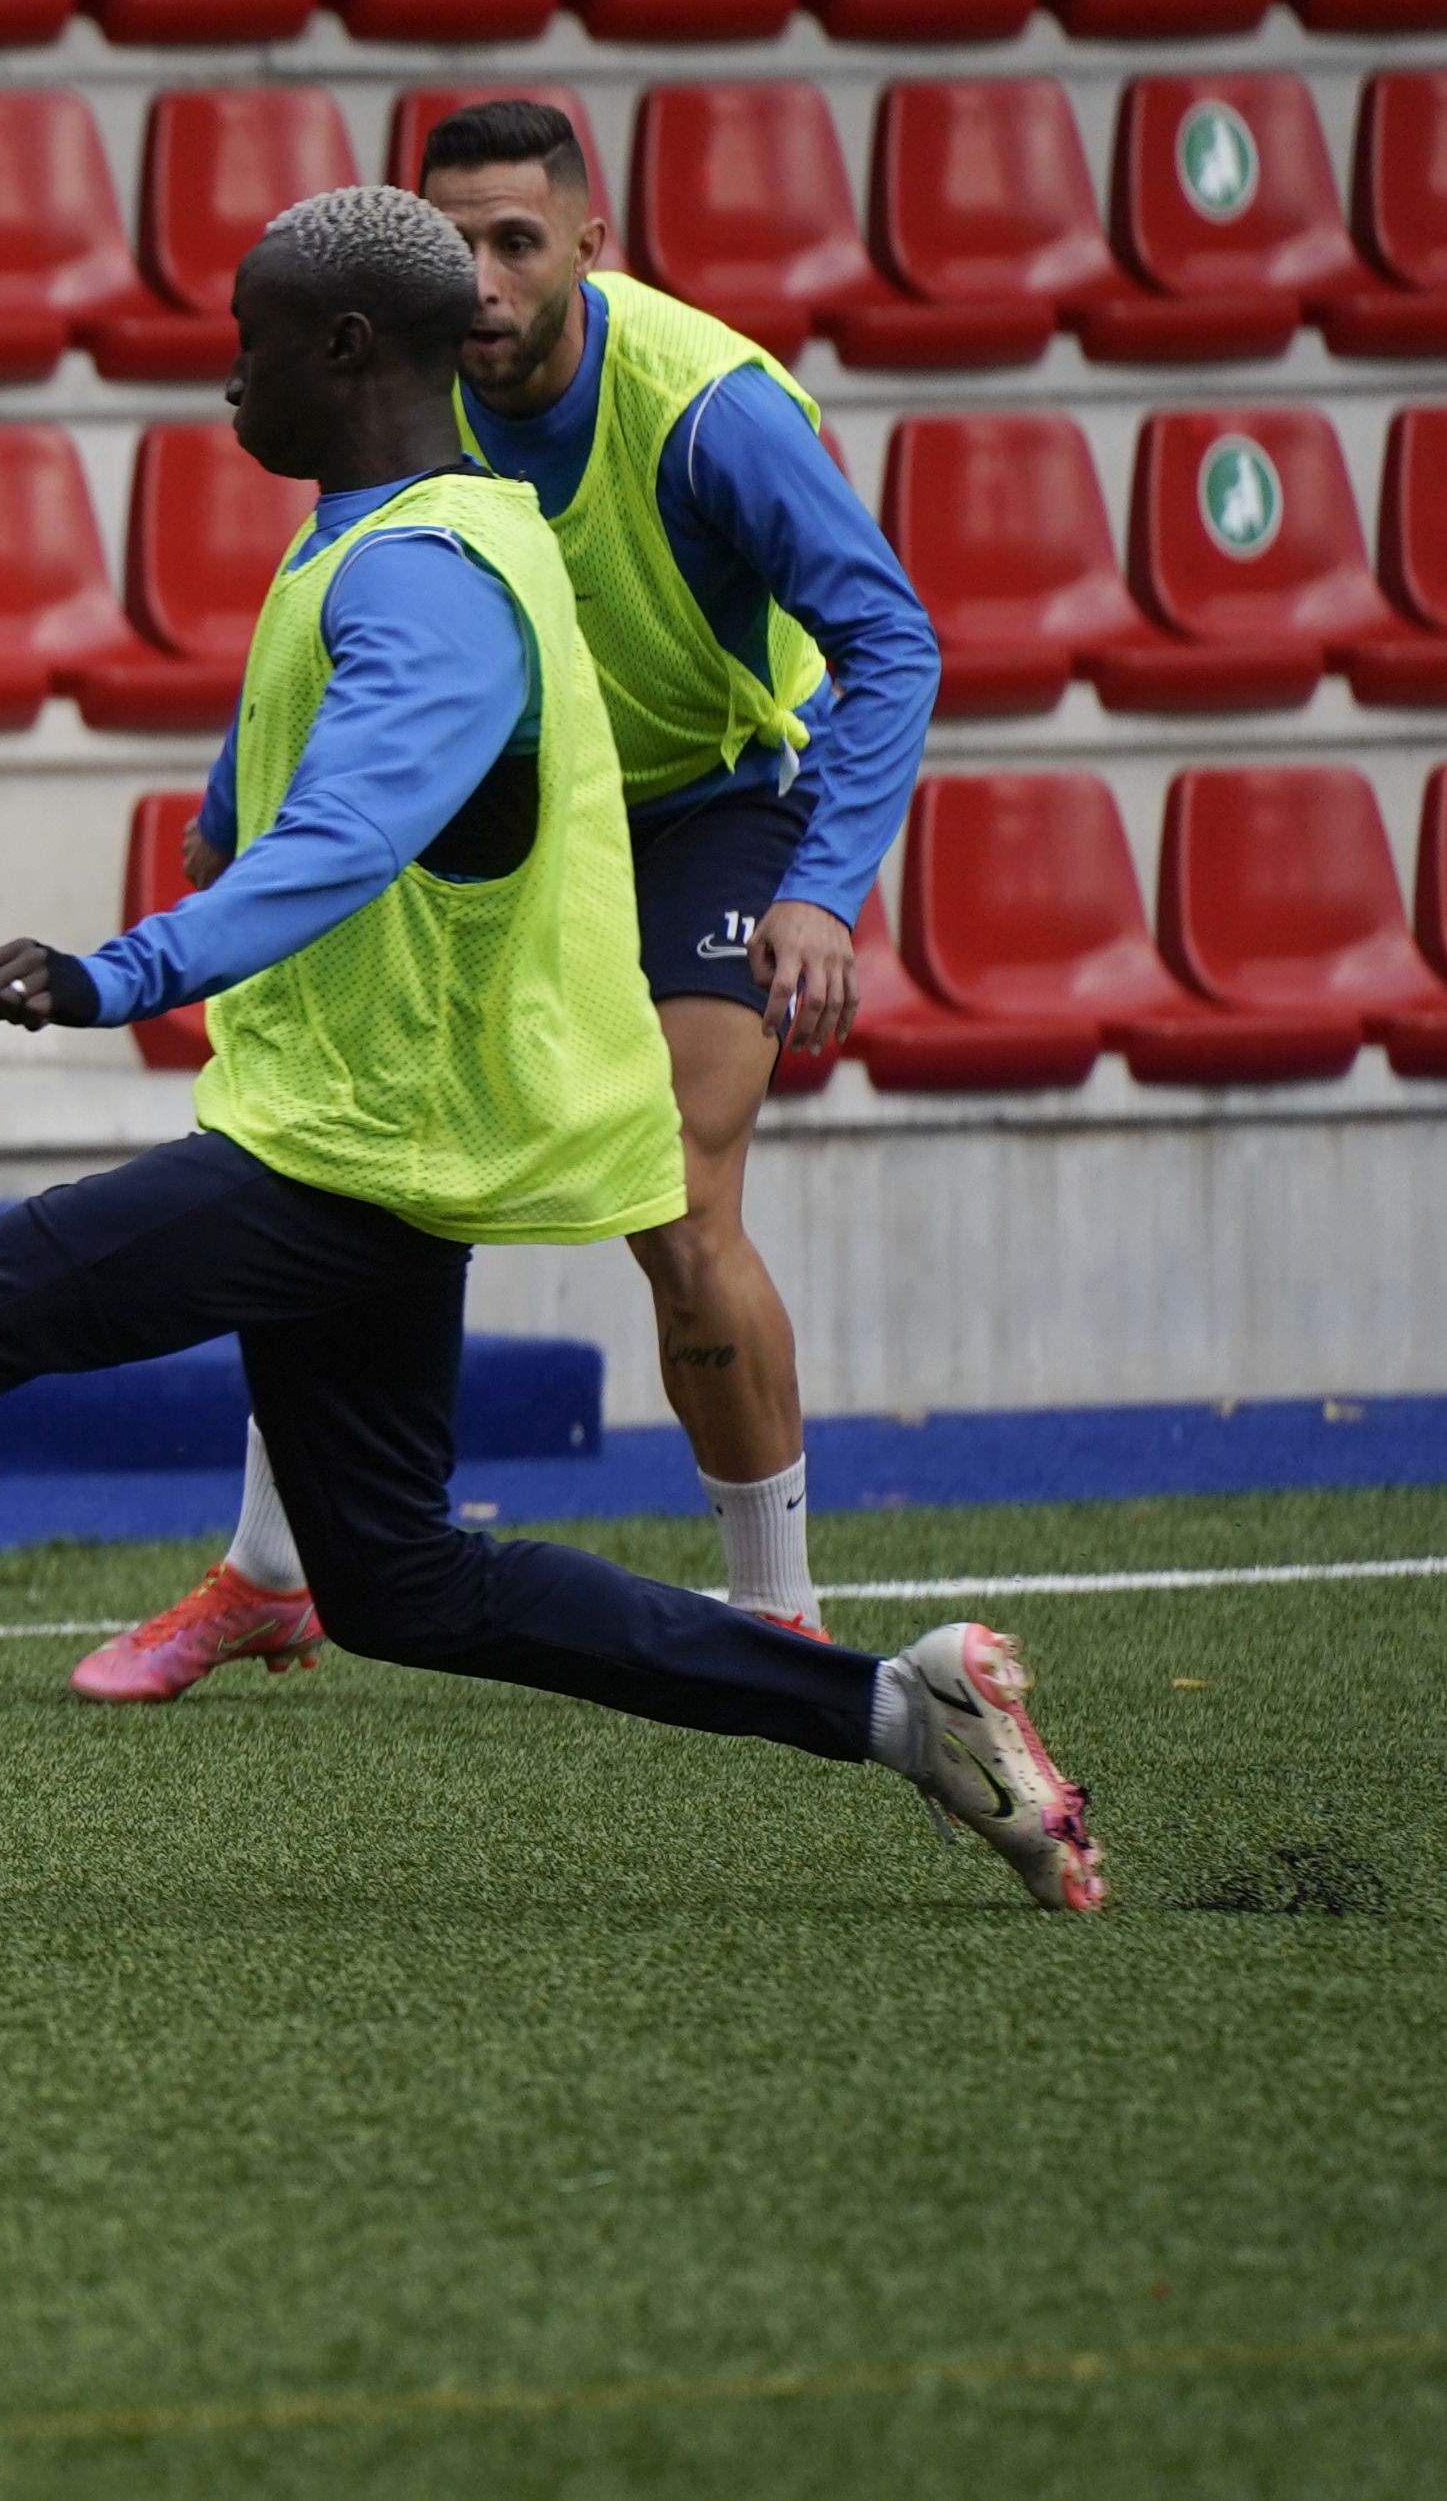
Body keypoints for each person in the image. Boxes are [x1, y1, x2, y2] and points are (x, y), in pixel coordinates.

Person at [0, 189, 1098, 1924]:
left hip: (353, 1149)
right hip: (376, 1138)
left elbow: (345, 833)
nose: (225, 379)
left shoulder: (423, 574)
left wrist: (123, 971)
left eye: (248, 341)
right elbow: (314, 791)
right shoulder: (421, 527)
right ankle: (898, 1708)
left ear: (345, 351)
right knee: (402, 1581)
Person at [69, 98, 943, 1703]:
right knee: (343, 1142)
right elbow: (341, 597)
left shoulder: (706, 408)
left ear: (588, 248)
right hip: (509, 809)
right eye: (451, 241)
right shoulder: (405, 382)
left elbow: (894, 640)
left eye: (515, 244)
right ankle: (276, 1576)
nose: (477, 279)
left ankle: (786, 1624)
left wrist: (826, 887)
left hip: (711, 807)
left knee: (676, 1189)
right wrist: (223, 809)